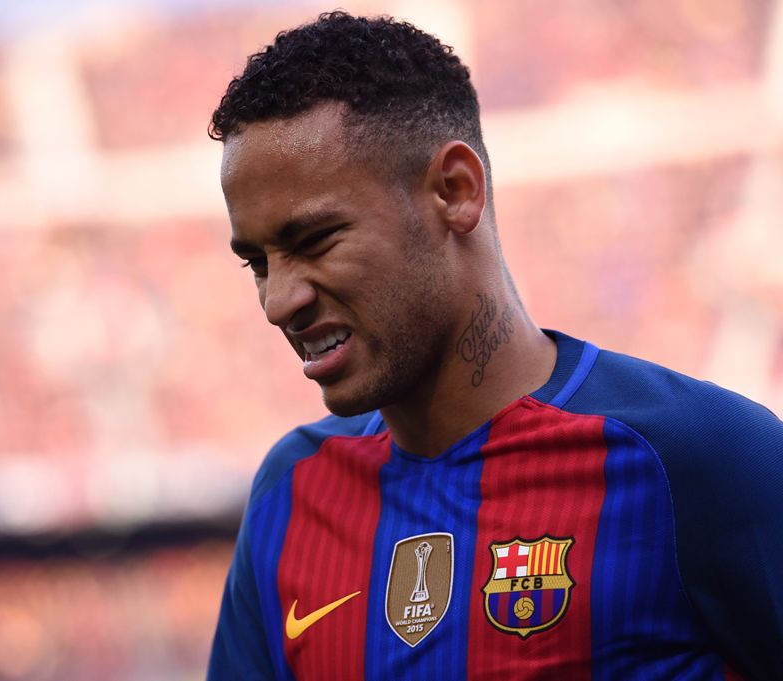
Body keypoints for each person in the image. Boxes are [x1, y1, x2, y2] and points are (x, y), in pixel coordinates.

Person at [205, 11, 782, 681]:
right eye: (258, 262)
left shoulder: (697, 458)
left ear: (455, 190)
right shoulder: (290, 494)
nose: (280, 301)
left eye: (315, 241)